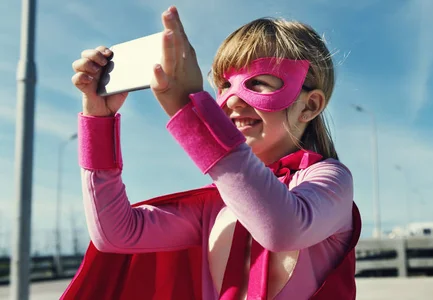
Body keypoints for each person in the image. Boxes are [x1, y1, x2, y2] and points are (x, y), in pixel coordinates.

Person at [62, 5, 361, 300]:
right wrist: (97, 121)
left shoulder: (329, 180)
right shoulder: (214, 205)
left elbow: (280, 229)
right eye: (225, 85)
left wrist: (188, 111)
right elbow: (114, 233)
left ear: (310, 106)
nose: (233, 101)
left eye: (258, 82)